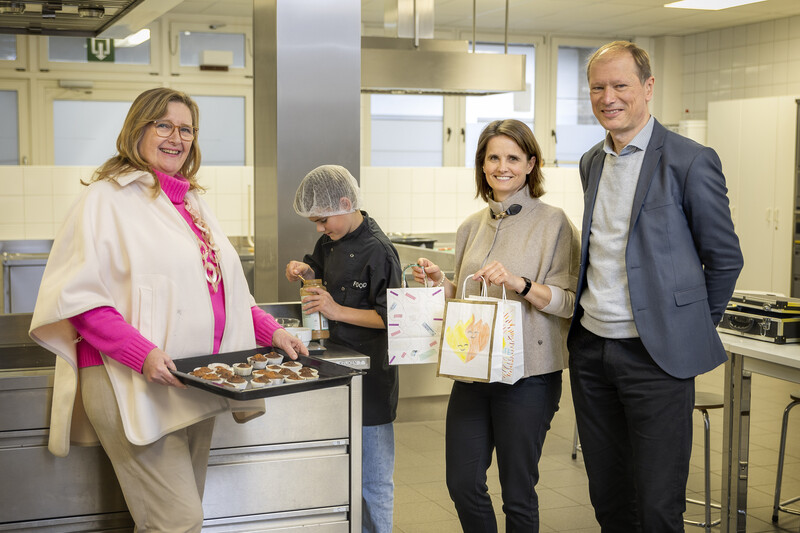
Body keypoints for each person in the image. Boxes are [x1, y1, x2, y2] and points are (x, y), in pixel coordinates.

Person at [29, 87, 308, 532]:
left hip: (193, 378)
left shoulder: (193, 203)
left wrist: (271, 331)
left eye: (186, 129)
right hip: (130, 378)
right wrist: (142, 353)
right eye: (164, 125)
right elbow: (81, 300)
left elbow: (226, 292)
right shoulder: (105, 199)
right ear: (137, 128)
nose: (176, 137)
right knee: (177, 521)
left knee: (174, 519)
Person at [568, 41, 744, 532]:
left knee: (658, 504)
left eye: (620, 85)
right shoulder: (592, 162)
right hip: (592, 352)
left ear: (647, 87)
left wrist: (685, 327)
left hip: (656, 358)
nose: (609, 97)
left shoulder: (690, 160)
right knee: (608, 497)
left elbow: (725, 258)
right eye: (598, 87)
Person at [412, 119, 580, 532]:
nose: (501, 166)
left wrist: (519, 283)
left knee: (518, 493)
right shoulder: (472, 225)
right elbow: (469, 300)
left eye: (512, 157)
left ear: (530, 164)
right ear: (482, 165)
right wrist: (442, 283)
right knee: (462, 482)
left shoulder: (554, 223)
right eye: (493, 158)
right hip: (471, 373)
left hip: (529, 378)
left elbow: (569, 303)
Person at [285, 164, 402, 533]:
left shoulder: (380, 251)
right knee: (341, 470)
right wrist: (303, 272)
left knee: (374, 481)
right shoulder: (329, 242)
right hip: (334, 368)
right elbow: (318, 277)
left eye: (323, 220)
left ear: (346, 202)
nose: (319, 229)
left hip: (371, 379)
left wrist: (337, 310)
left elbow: (391, 319)